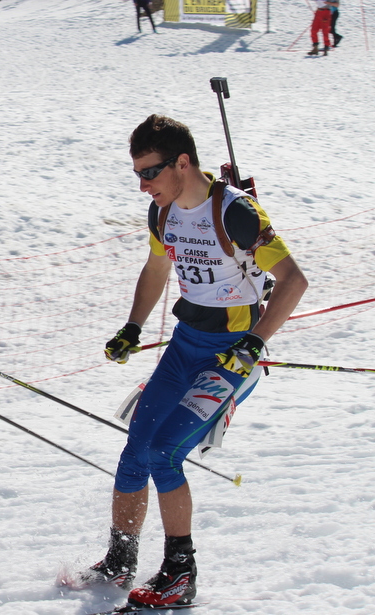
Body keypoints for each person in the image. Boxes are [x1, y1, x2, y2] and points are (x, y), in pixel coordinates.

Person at [79, 114, 308, 608]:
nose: (143, 185)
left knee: (164, 453)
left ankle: (180, 575)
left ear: (182, 162)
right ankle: (120, 559)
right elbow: (156, 268)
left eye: (150, 172)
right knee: (136, 450)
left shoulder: (236, 212)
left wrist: (254, 343)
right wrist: (132, 328)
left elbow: (294, 281)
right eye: (137, 174)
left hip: (231, 357)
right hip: (184, 347)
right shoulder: (162, 213)